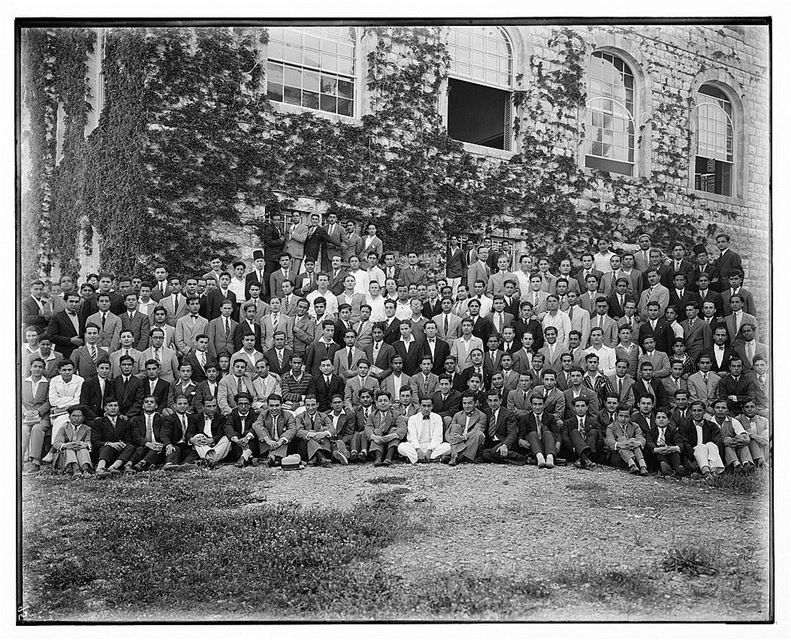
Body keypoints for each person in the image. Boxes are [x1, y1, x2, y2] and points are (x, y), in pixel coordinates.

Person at [397, 396, 451, 464]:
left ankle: (415, 458)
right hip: (417, 447)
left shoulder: (437, 418)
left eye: (429, 406)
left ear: (432, 406)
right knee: (401, 447)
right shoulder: (413, 419)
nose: (426, 408)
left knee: (447, 446)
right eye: (424, 406)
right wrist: (418, 450)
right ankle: (435, 459)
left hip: (432, 447)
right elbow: (412, 437)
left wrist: (430, 450)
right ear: (420, 406)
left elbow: (437, 437)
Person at [677, 400, 724, 478]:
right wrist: (693, 455)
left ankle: (713, 470)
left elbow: (717, 441)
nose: (697, 413)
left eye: (699, 410)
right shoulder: (685, 426)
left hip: (710, 454)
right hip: (693, 453)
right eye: (694, 411)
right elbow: (685, 442)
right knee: (701, 446)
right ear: (691, 412)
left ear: (704, 412)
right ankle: (706, 471)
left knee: (711, 444)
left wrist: (707, 452)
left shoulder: (712, 426)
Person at [92, 398, 136, 477]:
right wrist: (110, 444)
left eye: (115, 406)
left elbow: (128, 440)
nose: (113, 408)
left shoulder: (124, 422)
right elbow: (95, 442)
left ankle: (113, 467)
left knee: (131, 447)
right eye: (110, 406)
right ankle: (100, 469)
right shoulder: (99, 422)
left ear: (118, 408)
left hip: (119, 452)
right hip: (104, 452)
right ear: (105, 408)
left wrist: (123, 444)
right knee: (107, 447)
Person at [21, 358, 51, 473]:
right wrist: (25, 412)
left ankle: (35, 461)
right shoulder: (23, 382)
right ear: (31, 368)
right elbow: (17, 399)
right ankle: (20, 460)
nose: (37, 369)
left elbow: (49, 402)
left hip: (41, 416)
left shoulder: (47, 383)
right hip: (26, 415)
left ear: (43, 369)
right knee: (23, 429)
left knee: (37, 428)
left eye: (40, 367)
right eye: (35, 366)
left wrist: (38, 412)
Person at [365, 390, 407, 467]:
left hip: (390, 443)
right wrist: (373, 437)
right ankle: (378, 458)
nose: (383, 403)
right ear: (376, 403)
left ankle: (389, 457)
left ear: (390, 402)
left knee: (394, 430)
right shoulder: (372, 415)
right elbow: (368, 427)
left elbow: (402, 428)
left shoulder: (395, 414)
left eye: (385, 400)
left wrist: (390, 436)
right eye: (380, 401)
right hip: (378, 442)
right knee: (376, 430)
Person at [713, 398, 755, 473]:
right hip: (719, 451)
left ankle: (746, 464)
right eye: (717, 408)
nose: (720, 410)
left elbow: (743, 434)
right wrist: (725, 441)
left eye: (723, 408)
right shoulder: (710, 422)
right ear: (713, 410)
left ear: (728, 411)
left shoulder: (733, 421)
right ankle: (736, 465)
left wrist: (741, 440)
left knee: (740, 438)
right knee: (727, 441)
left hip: (734, 448)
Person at [518, 394, 559, 468]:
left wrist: (558, 443)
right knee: (532, 433)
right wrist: (520, 440)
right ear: (531, 405)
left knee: (548, 433)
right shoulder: (525, 418)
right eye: (535, 404)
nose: (537, 407)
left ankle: (550, 458)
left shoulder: (550, 417)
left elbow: (556, 433)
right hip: (533, 445)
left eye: (540, 404)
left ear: (544, 405)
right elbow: (521, 434)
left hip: (547, 444)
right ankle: (539, 457)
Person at [605, 405, 648, 476]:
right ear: (617, 416)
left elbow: (641, 438)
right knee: (621, 439)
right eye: (621, 416)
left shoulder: (635, 426)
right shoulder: (611, 427)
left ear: (630, 417)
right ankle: (639, 465)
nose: (623, 419)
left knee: (632, 440)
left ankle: (639, 466)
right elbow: (609, 441)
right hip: (618, 456)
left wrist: (635, 443)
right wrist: (622, 444)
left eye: (626, 416)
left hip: (635, 454)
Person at [51, 405, 93, 477]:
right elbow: (57, 443)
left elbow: (88, 441)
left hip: (80, 454)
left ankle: (85, 469)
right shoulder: (64, 428)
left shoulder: (87, 429)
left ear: (83, 418)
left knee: (83, 448)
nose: (76, 418)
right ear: (69, 417)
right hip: (66, 456)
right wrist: (66, 445)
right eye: (74, 416)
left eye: (79, 416)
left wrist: (85, 445)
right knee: (69, 449)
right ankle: (75, 469)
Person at [129, 395, 167, 471]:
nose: (149, 404)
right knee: (139, 449)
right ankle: (129, 465)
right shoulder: (135, 420)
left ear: (156, 406)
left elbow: (165, 435)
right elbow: (136, 436)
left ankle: (142, 464)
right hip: (143, 446)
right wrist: (148, 444)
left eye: (152, 402)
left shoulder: (162, 420)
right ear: (143, 406)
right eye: (146, 402)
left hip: (157, 447)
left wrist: (161, 445)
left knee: (157, 449)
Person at [562, 397, 599, 468]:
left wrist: (592, 450)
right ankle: (586, 460)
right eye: (577, 406)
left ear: (587, 408)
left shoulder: (593, 422)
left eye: (583, 406)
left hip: (590, 451)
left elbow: (599, 439)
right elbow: (565, 438)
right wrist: (573, 448)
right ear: (573, 408)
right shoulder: (568, 423)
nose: (580, 409)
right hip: (574, 451)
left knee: (594, 432)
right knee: (574, 432)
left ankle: (583, 459)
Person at [736, 399, 769, 467]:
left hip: (763, 447)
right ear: (743, 409)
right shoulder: (738, 420)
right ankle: (760, 461)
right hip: (747, 449)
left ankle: (762, 461)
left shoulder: (764, 420)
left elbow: (766, 438)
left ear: (756, 409)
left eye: (752, 407)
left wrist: (758, 438)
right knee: (750, 438)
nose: (749, 409)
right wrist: (753, 436)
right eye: (747, 407)